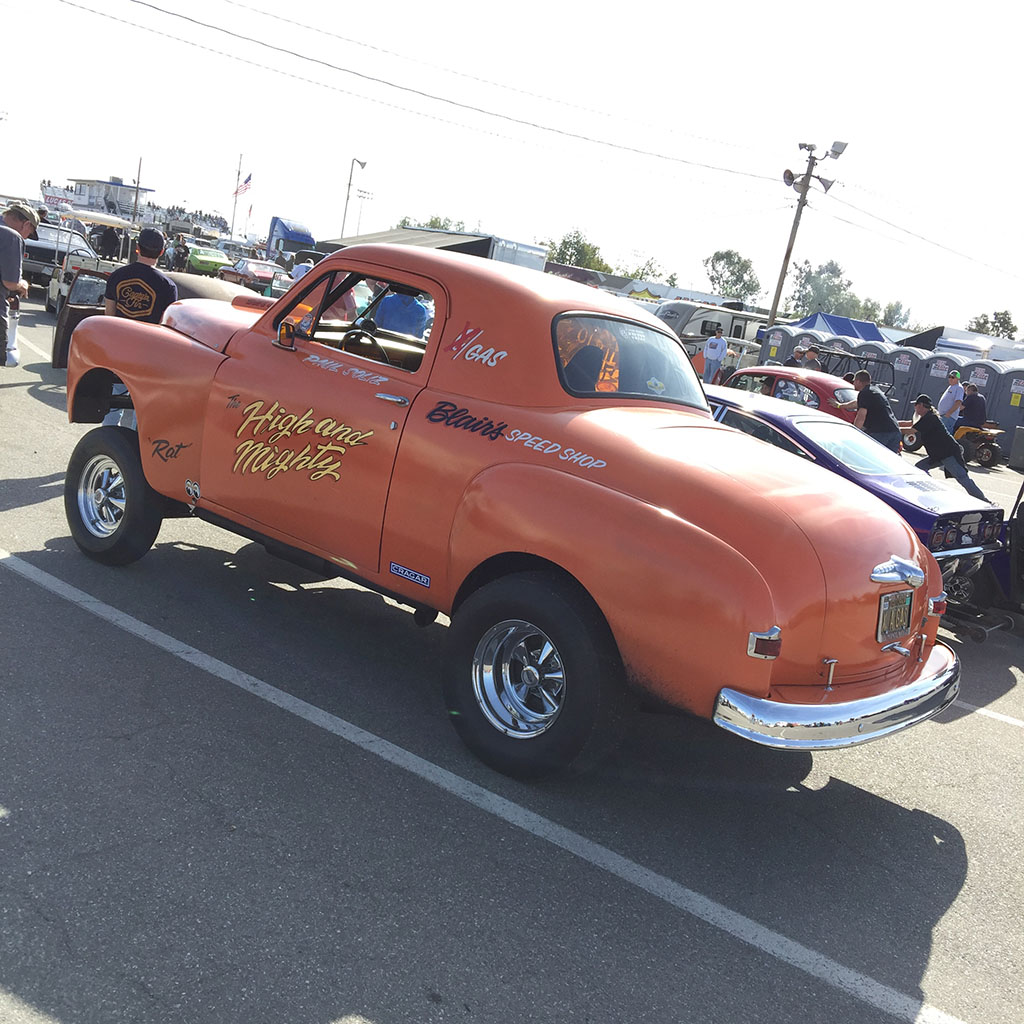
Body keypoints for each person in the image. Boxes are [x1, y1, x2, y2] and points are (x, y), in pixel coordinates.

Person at [102, 228, 177, 428]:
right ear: (161, 252)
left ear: (137, 248)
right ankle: (136, 450)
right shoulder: (167, 286)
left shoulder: (117, 276)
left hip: (118, 351)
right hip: (148, 354)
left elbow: (109, 316)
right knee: (142, 406)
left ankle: (108, 443)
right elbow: (164, 325)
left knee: (113, 403)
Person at [911, 394, 988, 501]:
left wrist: (895, 429)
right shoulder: (927, 417)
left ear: (921, 406)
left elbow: (912, 430)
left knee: (962, 478)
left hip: (948, 453)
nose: (915, 407)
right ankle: (931, 491)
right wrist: (896, 424)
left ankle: (984, 500)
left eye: (916, 405)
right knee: (920, 468)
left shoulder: (930, 418)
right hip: (939, 454)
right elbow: (912, 424)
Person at [1, 203, 39, 369]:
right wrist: (22, 284)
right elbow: (10, 282)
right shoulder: (11, 237)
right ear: (27, 224)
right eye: (29, 233)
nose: (26, 237)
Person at [838, 370, 903, 452]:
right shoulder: (874, 390)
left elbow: (861, 416)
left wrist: (854, 433)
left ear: (858, 381)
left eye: (854, 381)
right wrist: (840, 405)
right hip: (895, 431)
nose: (853, 383)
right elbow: (857, 403)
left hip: (881, 432)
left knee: (867, 455)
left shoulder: (864, 393)